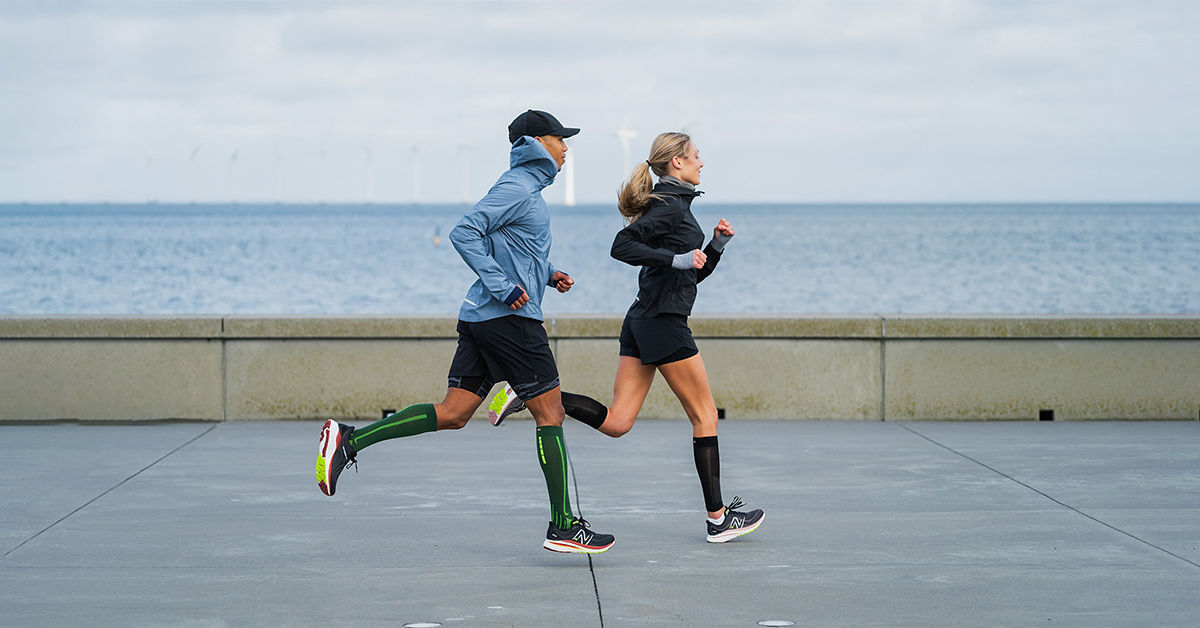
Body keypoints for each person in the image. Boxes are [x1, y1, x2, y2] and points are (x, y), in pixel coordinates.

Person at [316, 110, 615, 554]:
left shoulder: (524, 188)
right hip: (510, 321)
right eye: (560, 139)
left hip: (483, 318)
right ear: (537, 142)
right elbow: (465, 232)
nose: (567, 148)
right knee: (550, 414)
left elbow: (512, 247)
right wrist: (504, 286)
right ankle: (564, 524)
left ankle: (349, 439)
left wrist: (548, 274)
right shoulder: (517, 187)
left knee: (454, 413)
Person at [490, 131, 764, 543]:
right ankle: (718, 518)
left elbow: (687, 273)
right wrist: (677, 257)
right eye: (696, 156)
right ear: (676, 162)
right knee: (705, 416)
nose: (701, 163)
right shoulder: (670, 208)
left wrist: (716, 247)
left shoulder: (674, 208)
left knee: (618, 422)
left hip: (642, 320)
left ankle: (529, 393)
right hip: (664, 323)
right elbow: (622, 245)